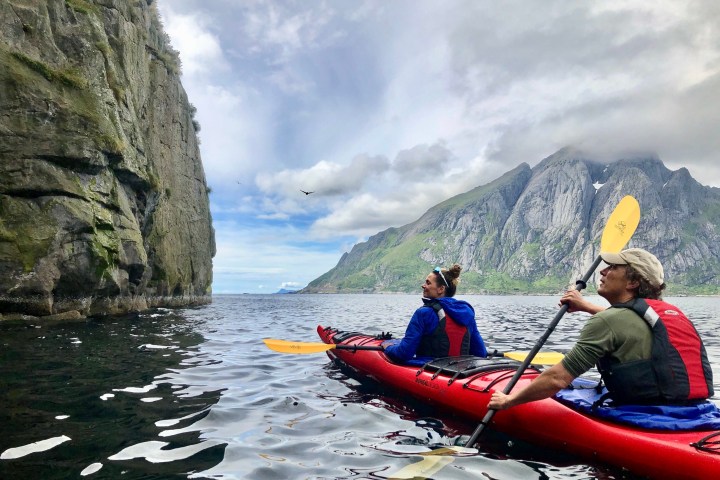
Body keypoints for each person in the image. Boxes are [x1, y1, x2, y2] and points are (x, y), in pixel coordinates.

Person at [489, 248, 713, 410]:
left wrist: (509, 401)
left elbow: (558, 379)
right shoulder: (670, 313)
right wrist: (586, 307)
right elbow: (626, 325)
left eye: (613, 267)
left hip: (645, 414)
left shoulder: (609, 322)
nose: (603, 272)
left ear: (633, 282)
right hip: (693, 410)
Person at [383, 264, 487, 364]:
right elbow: (481, 353)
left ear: (441, 289)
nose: (423, 285)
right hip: (460, 371)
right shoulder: (467, 314)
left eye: (428, 283)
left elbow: (404, 353)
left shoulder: (423, 313)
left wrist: (387, 347)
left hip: (430, 371)